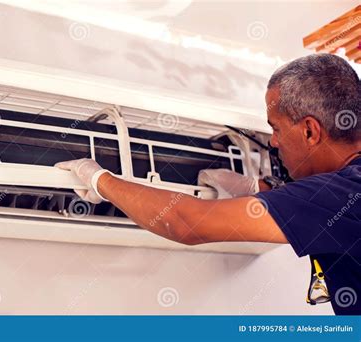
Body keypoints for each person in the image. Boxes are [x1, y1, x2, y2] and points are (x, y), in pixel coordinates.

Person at [55, 53, 360, 315]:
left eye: (276, 128)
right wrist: (261, 191)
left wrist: (98, 179)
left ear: (310, 131)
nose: (274, 141)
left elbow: (186, 222)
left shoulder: (340, 197)